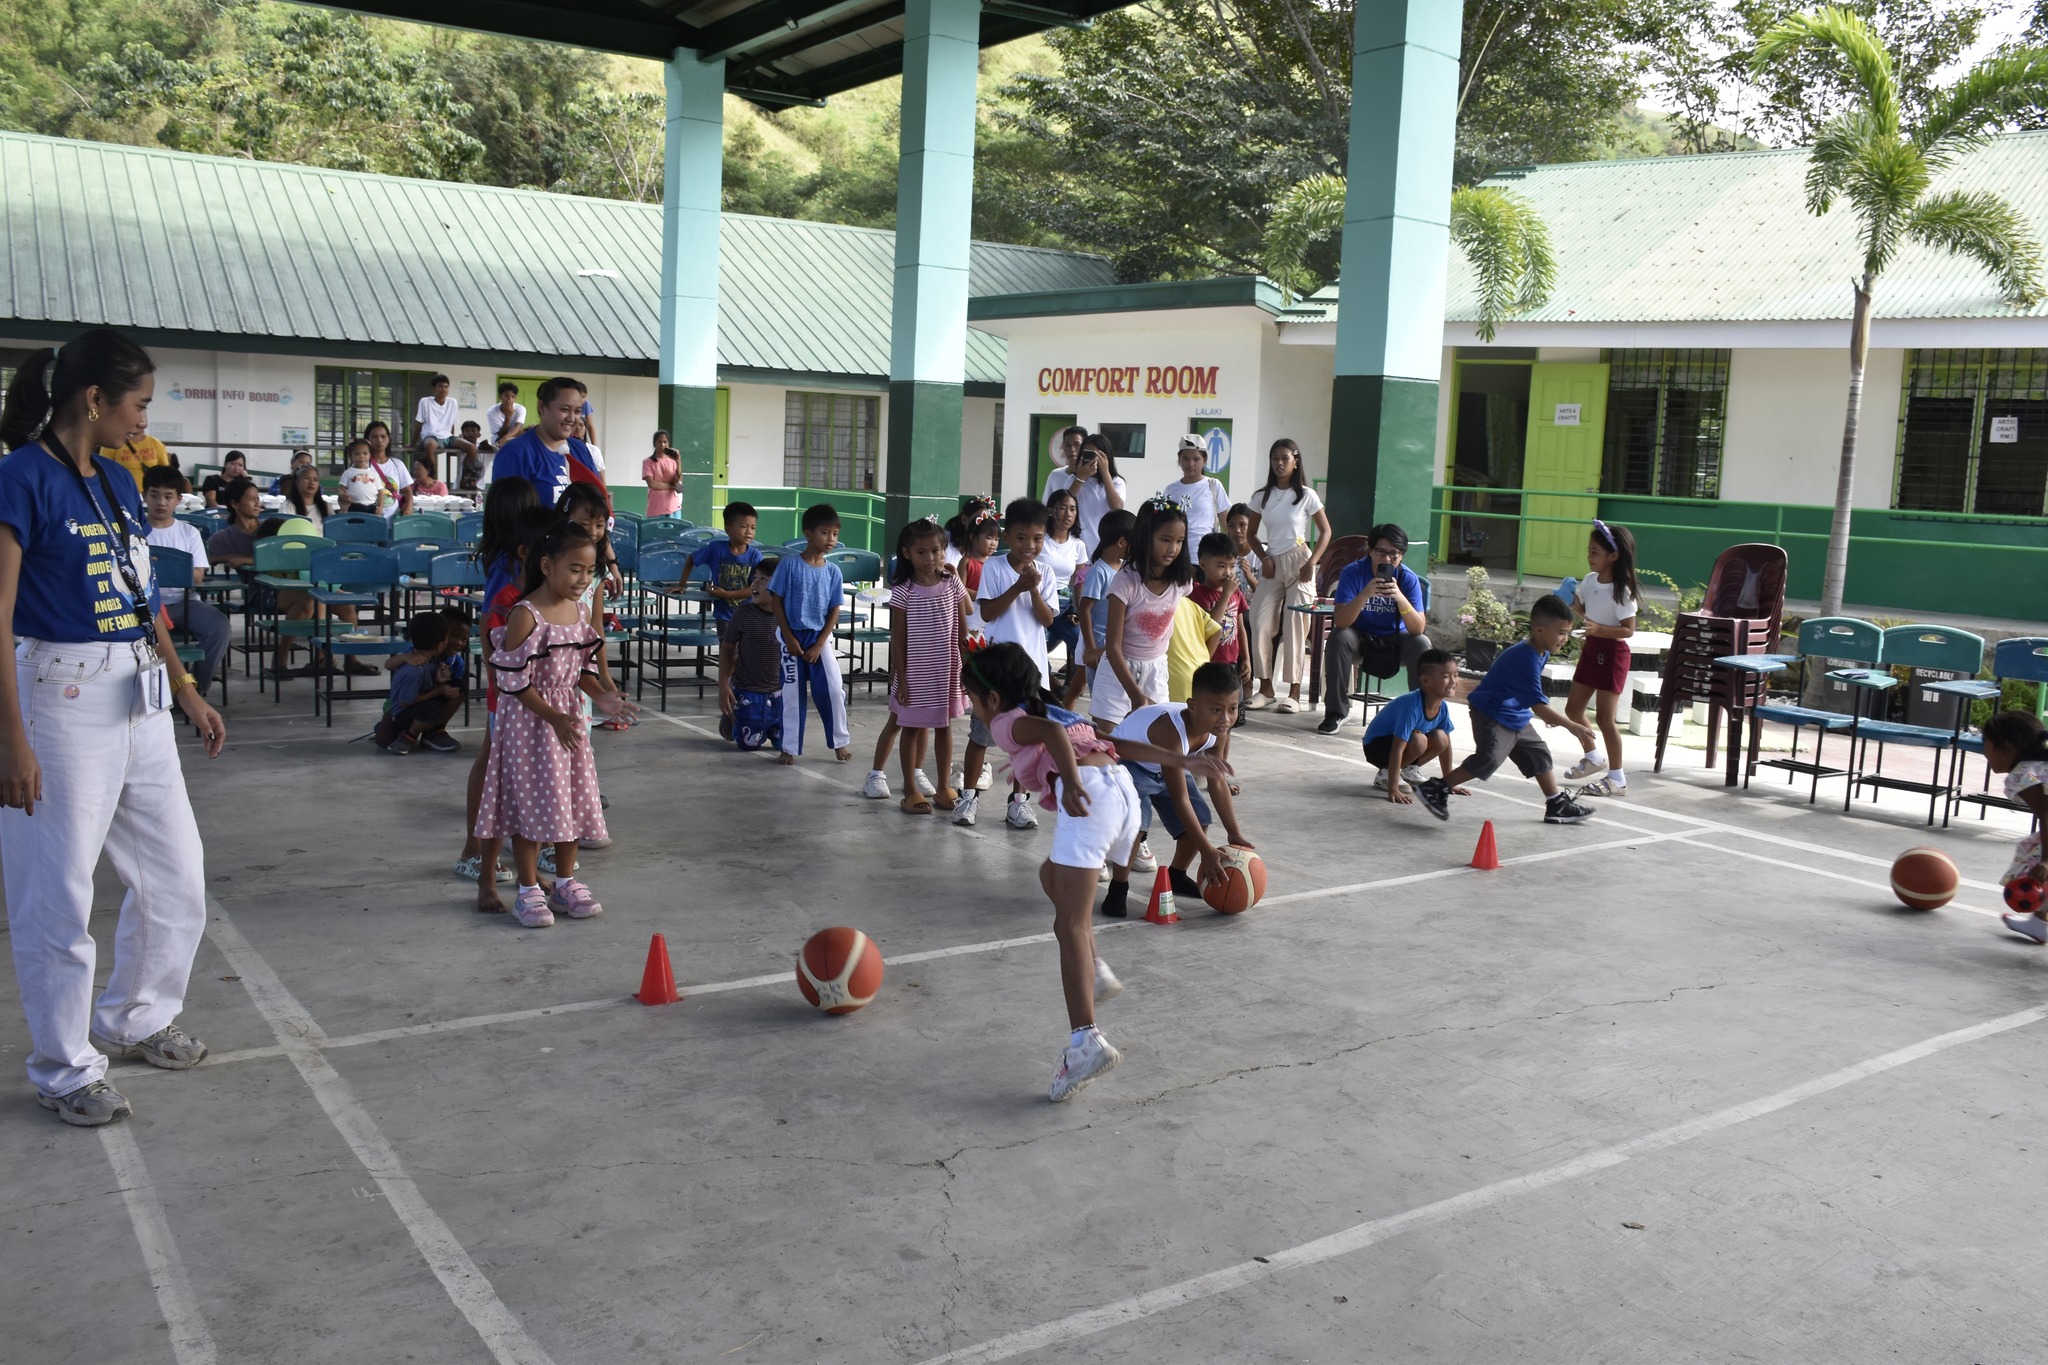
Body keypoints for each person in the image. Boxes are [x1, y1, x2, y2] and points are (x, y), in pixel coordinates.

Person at [0, 327, 227, 1127]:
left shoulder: (120, 483)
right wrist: (10, 739)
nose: (143, 421)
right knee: (57, 891)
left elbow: (141, 597)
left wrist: (185, 684)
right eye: (137, 404)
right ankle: (64, 1066)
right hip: (56, 696)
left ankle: (133, 1017)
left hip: (139, 693)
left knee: (176, 873)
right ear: (93, 399)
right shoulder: (22, 478)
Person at [961, 641, 1222, 1102]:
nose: (972, 709)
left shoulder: (1009, 722)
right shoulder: (1059, 710)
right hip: (1121, 792)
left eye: (972, 700)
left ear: (994, 699)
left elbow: (1055, 741)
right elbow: (1114, 742)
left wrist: (1073, 783)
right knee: (1050, 876)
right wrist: (1181, 760)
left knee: (1070, 925)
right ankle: (1095, 970)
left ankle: (1085, 1042)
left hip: (1093, 796)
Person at [475, 521, 635, 928]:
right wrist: (555, 716)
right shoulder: (524, 615)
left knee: (570, 801)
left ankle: (565, 882)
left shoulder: (579, 612)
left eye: (589, 570)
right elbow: (513, 683)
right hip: (530, 724)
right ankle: (528, 891)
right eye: (575, 569)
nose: (583, 579)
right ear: (547, 566)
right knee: (530, 805)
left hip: (567, 721)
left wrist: (601, 696)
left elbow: (579, 668)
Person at [1413, 595, 1596, 825]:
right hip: (1491, 713)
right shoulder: (1525, 657)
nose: (1565, 638)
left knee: (1538, 753)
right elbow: (1538, 706)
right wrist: (1572, 726)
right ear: (1540, 630)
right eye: (1561, 632)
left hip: (1514, 713)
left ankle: (1556, 803)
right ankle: (1435, 789)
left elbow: (1531, 697)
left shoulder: (1541, 651)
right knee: (1488, 758)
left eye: (1567, 632)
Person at [456, 482, 543, 911]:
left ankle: (512, 857)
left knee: (504, 767)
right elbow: (492, 630)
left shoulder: (516, 561)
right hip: (507, 688)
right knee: (492, 767)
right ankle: (474, 851)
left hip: (516, 685)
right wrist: (500, 681)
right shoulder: (506, 568)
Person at [1105, 663, 1251, 915]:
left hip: (1169, 764)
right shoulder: (1171, 731)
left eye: (1232, 708)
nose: (1226, 718)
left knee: (1201, 818)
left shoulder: (1220, 729)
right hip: (1129, 763)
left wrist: (1233, 832)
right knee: (1136, 828)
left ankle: (1176, 874)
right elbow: (1179, 797)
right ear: (1193, 705)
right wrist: (1206, 850)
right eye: (1216, 709)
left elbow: (1216, 780)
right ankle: (1118, 888)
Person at [975, 497, 1060, 831]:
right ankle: (970, 795)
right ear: (1008, 536)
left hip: (1032, 671)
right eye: (1022, 538)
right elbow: (988, 612)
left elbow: (1047, 620)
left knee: (1027, 742)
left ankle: (1019, 803)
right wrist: (1017, 586)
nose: (1030, 546)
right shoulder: (995, 568)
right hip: (997, 669)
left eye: (1038, 539)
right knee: (981, 736)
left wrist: (1034, 590)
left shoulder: (1047, 573)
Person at [874, 519, 968, 813]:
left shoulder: (951, 581)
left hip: (947, 670)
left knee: (944, 726)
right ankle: (911, 790)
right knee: (911, 728)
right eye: (921, 552)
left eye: (936, 551)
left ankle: (943, 788)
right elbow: (898, 640)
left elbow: (965, 623)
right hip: (915, 674)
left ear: (944, 552)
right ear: (906, 553)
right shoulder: (903, 590)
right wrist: (900, 679)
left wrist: (966, 666)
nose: (930, 559)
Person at [1317, 522, 1433, 735]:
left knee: (1422, 643)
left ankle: (1421, 713)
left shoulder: (1407, 579)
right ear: (1370, 550)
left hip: (1395, 640)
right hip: (1360, 639)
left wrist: (1399, 598)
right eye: (1380, 552)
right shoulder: (1353, 572)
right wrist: (1365, 594)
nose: (1387, 559)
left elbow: (1418, 628)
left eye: (1394, 554)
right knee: (1338, 637)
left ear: (1402, 556)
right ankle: (1336, 711)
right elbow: (1341, 621)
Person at [1243, 439, 1331, 714]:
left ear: (1295, 461)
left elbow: (1326, 532)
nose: (1279, 464)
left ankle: (1293, 693)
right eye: (1274, 459)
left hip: (1300, 561)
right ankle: (1265, 688)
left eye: (1284, 458)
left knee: (1295, 625)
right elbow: (1250, 534)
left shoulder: (1306, 495)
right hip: (1272, 564)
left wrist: (1312, 563)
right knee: (1259, 621)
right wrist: (1265, 557)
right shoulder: (1261, 496)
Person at [1560, 519, 1640, 798]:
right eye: (1589, 551)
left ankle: (1617, 778)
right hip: (1592, 648)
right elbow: (1585, 611)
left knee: (1606, 718)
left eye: (1595, 552)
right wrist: (1571, 601)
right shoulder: (1590, 580)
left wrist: (1599, 629)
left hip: (1614, 653)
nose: (1589, 556)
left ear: (1614, 556)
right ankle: (1592, 756)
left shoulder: (1622, 590)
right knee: (1573, 710)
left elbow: (1628, 630)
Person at [766, 503, 849, 765]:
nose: (831, 539)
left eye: (835, 534)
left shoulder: (833, 571)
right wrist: (788, 637)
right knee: (792, 694)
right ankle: (789, 747)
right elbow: (775, 600)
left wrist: (821, 642)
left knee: (834, 690)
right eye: (825, 533)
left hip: (819, 639)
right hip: (791, 637)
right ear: (808, 534)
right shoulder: (790, 565)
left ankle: (839, 742)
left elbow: (834, 609)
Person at [1101, 497, 1195, 727]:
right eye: (1165, 539)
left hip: (1156, 669)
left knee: (1153, 739)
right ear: (1146, 536)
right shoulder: (1125, 582)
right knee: (1109, 738)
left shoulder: (1181, 582)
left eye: (1179, 541)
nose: (1173, 548)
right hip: (1119, 669)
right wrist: (1135, 694)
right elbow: (1113, 647)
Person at [141, 466, 230, 697]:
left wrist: (157, 570)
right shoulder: (135, 532)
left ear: (179, 499)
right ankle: (152, 692)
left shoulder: (189, 533)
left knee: (219, 627)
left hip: (184, 603)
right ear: (144, 496)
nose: (161, 502)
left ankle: (196, 687)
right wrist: (173, 568)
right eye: (154, 495)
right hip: (144, 608)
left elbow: (197, 575)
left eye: (168, 496)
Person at [1362, 648, 1465, 803]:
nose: (1453, 681)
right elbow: (1398, 748)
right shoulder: (1411, 705)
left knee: (1441, 738)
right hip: (1376, 747)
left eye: (1455, 675)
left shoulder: (1442, 707)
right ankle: (1386, 775)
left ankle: (1408, 770)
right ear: (1425, 681)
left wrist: (1448, 782)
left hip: (1399, 746)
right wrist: (1393, 788)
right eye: (1445, 676)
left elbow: (1445, 747)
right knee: (1419, 740)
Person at [486, 376, 605, 511]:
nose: (572, 418)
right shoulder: (516, 453)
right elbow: (506, 520)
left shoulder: (581, 450)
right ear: (542, 407)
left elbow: (598, 505)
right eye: (564, 409)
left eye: (577, 411)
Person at [1986, 712, 2048, 943]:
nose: (1985, 752)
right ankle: (2039, 922)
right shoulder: (2039, 766)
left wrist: (2046, 861)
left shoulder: (2023, 774)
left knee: (2035, 859)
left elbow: (2047, 814)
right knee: (2032, 849)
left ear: (2006, 747)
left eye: (1986, 743)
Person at [374, 611, 465, 755]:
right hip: (400, 713)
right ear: (441, 645)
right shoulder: (415, 669)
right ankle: (408, 736)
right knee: (432, 708)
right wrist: (439, 691)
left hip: (413, 706)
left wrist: (439, 680)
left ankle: (434, 732)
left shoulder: (432, 660)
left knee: (458, 688)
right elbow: (405, 702)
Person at [719, 559, 786, 751]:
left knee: (784, 745)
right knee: (749, 745)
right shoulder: (743, 613)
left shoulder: (789, 616)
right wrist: (724, 685)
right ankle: (733, 716)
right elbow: (726, 649)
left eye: (763, 579)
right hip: (749, 690)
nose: (755, 584)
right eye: (754, 579)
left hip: (780, 693)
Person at [1075, 509, 1134, 727]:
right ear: (1121, 542)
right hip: (1099, 651)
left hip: (1114, 648)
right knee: (1102, 706)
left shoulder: (1125, 569)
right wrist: (1090, 648)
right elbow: (1085, 609)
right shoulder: (1100, 571)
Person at [678, 501, 762, 625]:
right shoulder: (716, 549)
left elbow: (756, 588)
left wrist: (727, 594)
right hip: (724, 615)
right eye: (743, 527)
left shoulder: (756, 556)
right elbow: (691, 559)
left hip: (748, 615)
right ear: (728, 529)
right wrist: (682, 585)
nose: (749, 531)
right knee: (726, 644)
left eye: (753, 527)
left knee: (745, 645)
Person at [1041, 487, 1090, 697]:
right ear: (1052, 511)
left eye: (1073, 509)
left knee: (1082, 641)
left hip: (1064, 606)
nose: (1068, 514)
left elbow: (1078, 583)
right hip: (1039, 603)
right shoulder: (1040, 540)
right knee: (1035, 644)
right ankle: (1052, 684)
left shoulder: (1078, 546)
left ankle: (1073, 686)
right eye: (1063, 508)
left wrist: (1079, 611)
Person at [1189, 531, 1251, 693]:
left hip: (1232, 662)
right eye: (1221, 566)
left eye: (1232, 566)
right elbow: (1209, 625)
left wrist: (1246, 658)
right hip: (1208, 662)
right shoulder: (1198, 593)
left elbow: (1241, 627)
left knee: (1235, 709)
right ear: (1203, 565)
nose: (1228, 573)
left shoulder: (1236, 593)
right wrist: (1225, 595)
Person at [1047, 437, 1127, 556]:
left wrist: (1105, 474)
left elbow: (1117, 507)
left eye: (1094, 454)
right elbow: (1065, 502)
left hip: (1104, 544)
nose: (1090, 458)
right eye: (1086, 454)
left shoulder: (1116, 481)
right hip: (1077, 543)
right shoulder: (1074, 479)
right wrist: (1081, 477)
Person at [1158, 435, 1230, 546]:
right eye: (1185, 458)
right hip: (1176, 554)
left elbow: (1226, 524)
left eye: (1196, 459)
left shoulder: (1214, 486)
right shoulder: (1171, 489)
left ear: (1204, 460)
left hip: (1207, 554)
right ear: (1179, 459)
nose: (1191, 464)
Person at [364, 421, 414, 518]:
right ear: (367, 440)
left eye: (383, 436)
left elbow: (407, 490)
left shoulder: (398, 464)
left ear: (388, 439)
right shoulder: (363, 465)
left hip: (394, 520)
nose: (379, 440)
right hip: (370, 519)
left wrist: (409, 505)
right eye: (374, 437)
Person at [102, 430, 171, 490]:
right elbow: (102, 469)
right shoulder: (112, 442)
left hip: (149, 494)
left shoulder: (156, 443)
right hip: (121, 491)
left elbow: (165, 473)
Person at [1038, 425, 1087, 502]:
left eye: (1077, 445)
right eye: (1068, 445)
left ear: (1085, 447)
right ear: (1063, 447)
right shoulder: (1055, 475)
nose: (1072, 449)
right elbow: (1046, 504)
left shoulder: (1092, 476)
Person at [336, 438, 385, 514]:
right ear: (350, 456)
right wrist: (342, 495)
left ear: (370, 455)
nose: (361, 456)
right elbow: (341, 489)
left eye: (365, 453)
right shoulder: (348, 473)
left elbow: (381, 491)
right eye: (357, 454)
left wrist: (380, 506)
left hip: (372, 507)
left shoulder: (374, 473)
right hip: (353, 507)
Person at [280, 461, 332, 532]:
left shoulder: (326, 506)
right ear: (297, 482)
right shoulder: (288, 506)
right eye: (307, 478)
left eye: (315, 479)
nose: (312, 482)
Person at [412, 373, 459, 450]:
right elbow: (419, 424)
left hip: (448, 437)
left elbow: (452, 424)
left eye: (446, 387)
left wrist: (452, 441)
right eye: (440, 386)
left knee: (472, 448)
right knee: (430, 445)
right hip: (431, 436)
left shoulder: (453, 402)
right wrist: (413, 443)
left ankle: (469, 463)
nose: (443, 389)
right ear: (434, 389)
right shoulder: (425, 402)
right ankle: (430, 463)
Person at [643, 430, 681, 518]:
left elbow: (678, 481)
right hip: (656, 509)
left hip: (673, 508)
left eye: (665, 442)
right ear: (654, 444)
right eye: (659, 442)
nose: (662, 445)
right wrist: (672, 487)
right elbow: (652, 484)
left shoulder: (673, 462)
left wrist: (678, 462)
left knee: (675, 531)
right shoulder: (648, 462)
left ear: (668, 444)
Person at [486, 382, 526, 449]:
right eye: (506, 396)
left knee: (529, 431)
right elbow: (501, 434)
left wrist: (505, 438)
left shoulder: (520, 409)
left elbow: (518, 427)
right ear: (500, 397)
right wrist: (508, 417)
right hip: (499, 441)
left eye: (512, 396)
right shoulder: (492, 411)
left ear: (515, 398)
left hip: (514, 438)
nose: (509, 399)